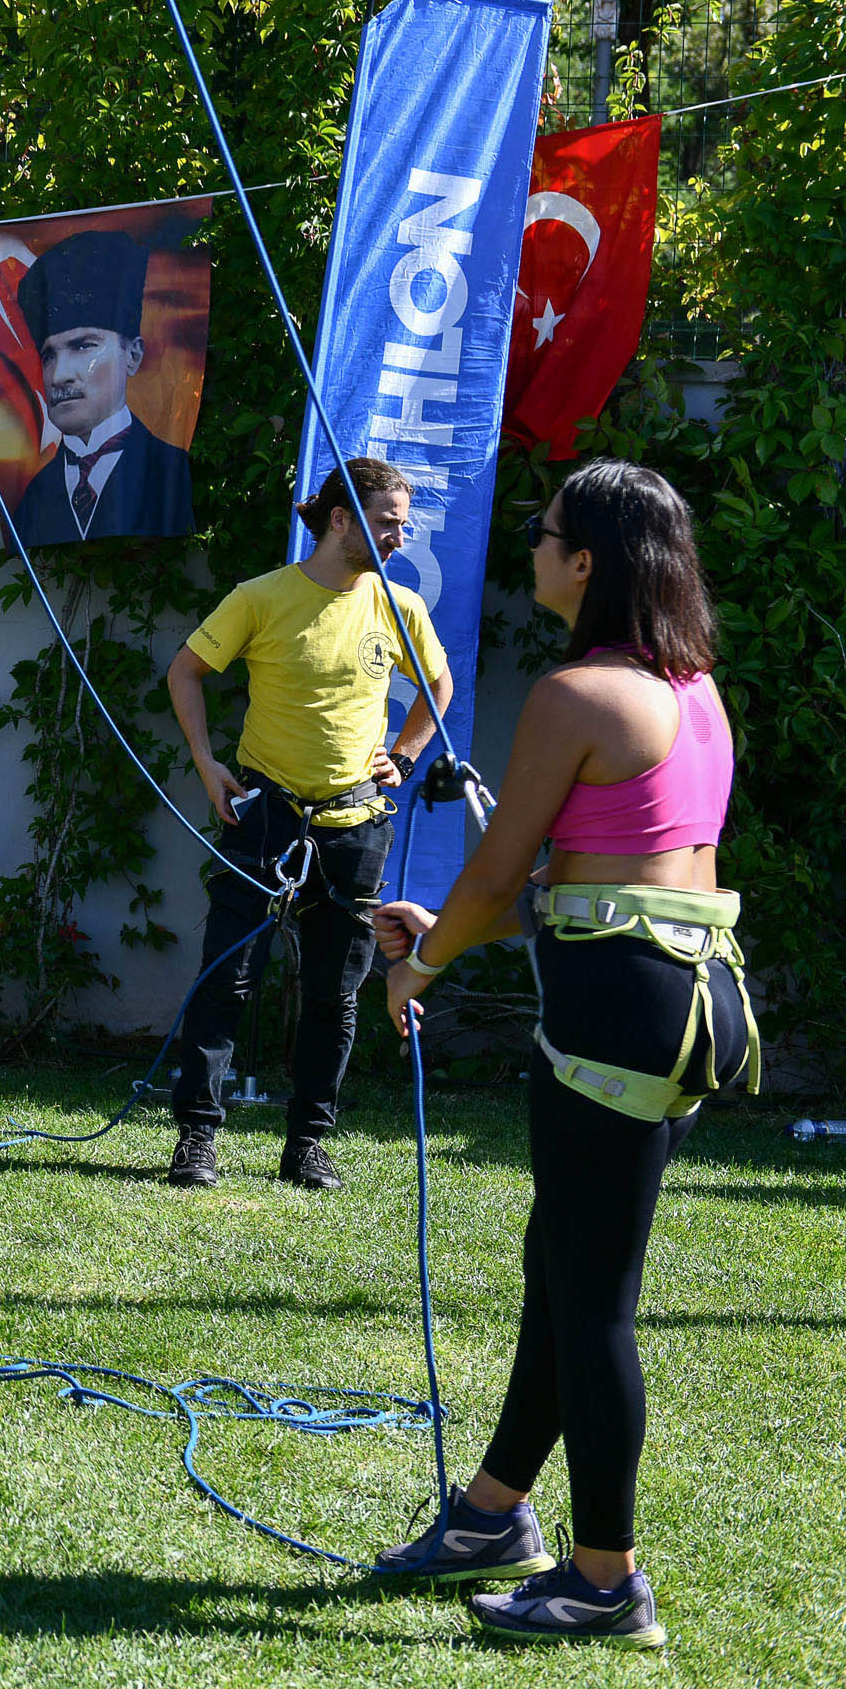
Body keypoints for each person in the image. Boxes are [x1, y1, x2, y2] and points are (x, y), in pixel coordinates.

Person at [368, 460, 752, 1649]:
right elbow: (598, 863)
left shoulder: (576, 691)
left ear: (587, 561)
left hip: (618, 1013)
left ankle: (604, 1578)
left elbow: (494, 874)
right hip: (693, 1001)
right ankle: (493, 1513)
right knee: (564, 1263)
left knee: (593, 1302)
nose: (531, 549)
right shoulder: (693, 691)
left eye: (544, 535)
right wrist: (465, 924)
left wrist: (419, 966)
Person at [161, 457, 453, 1190]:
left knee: (335, 992)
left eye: (404, 523)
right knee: (227, 979)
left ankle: (308, 1145)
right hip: (265, 815)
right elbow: (185, 672)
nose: (401, 534)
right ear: (340, 518)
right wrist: (206, 763)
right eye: (388, 521)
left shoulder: (400, 606)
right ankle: (197, 1138)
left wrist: (405, 753)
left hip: (355, 824)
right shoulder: (261, 597)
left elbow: (438, 684)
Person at [4, 228, 195, 545]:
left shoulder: (170, 474)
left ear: (132, 355)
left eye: (83, 346)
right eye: (49, 355)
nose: (59, 375)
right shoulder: (34, 497)